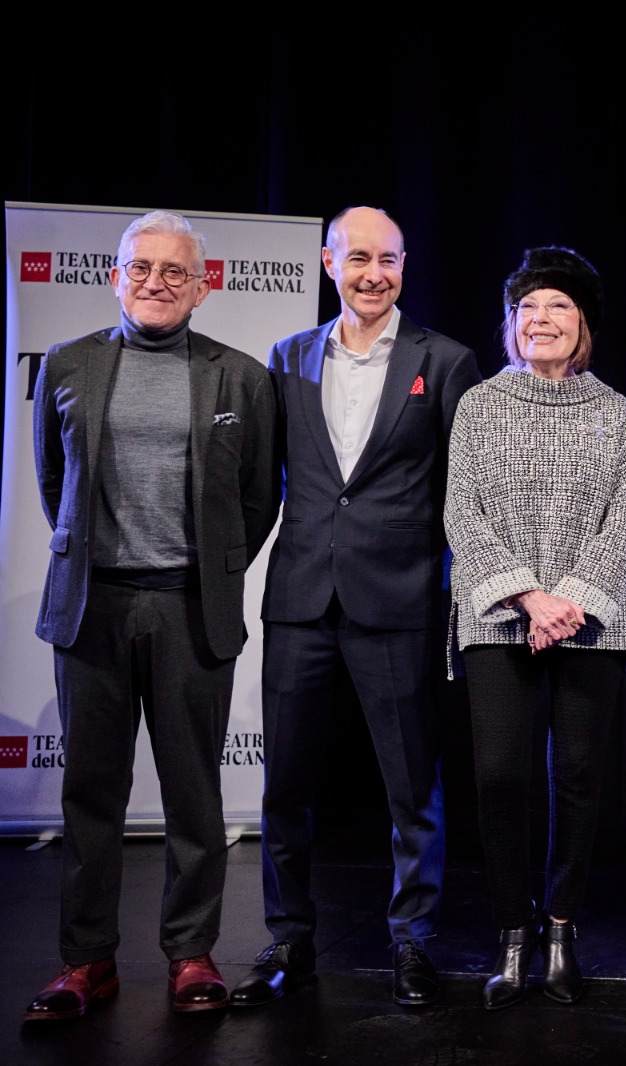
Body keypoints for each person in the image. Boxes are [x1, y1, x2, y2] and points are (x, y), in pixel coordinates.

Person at [26, 211, 278, 1020]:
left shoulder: (240, 376)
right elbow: (52, 480)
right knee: (90, 794)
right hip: (92, 604)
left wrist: (205, 565)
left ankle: (191, 953)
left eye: (175, 271)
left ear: (203, 287)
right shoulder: (70, 364)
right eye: (141, 268)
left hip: (188, 608)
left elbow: (258, 497)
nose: (157, 282)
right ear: (115, 275)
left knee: (194, 795)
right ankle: (86, 962)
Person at [232, 206, 481, 1009]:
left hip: (399, 598)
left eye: (390, 259)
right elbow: (268, 480)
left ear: (406, 265)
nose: (375, 273)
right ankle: (288, 940)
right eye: (359, 257)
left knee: (412, 786)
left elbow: (465, 492)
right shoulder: (289, 357)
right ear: (330, 263)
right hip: (301, 597)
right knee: (286, 784)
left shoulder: (445, 361)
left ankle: (412, 940)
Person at [444, 247, 626, 1010]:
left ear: (582, 324)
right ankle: (511, 935)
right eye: (528, 309)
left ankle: (561, 930)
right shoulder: (479, 406)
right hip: (502, 617)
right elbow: (462, 514)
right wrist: (531, 600)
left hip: (594, 622)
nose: (542, 320)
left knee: (581, 778)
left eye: (557, 307)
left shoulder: (615, 411)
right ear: (510, 325)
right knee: (499, 777)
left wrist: (574, 599)